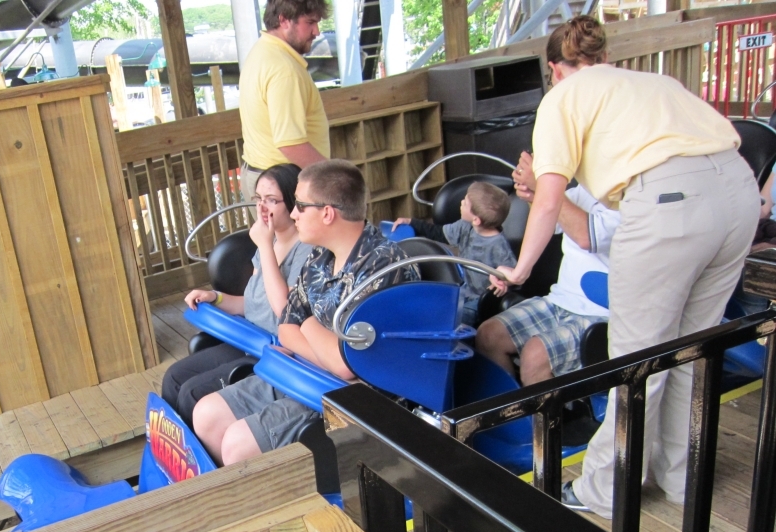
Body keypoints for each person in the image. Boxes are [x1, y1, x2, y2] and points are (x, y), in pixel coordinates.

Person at [491, 16, 758, 518]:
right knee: (691, 347)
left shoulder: (562, 99)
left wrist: (520, 270)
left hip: (669, 202)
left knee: (638, 358)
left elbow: (547, 203)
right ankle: (682, 478)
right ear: (601, 57)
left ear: (555, 69)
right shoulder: (653, 83)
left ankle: (606, 491)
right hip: (738, 193)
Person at [192, 160, 420, 465]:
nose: (294, 213)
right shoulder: (319, 257)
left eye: (300, 205)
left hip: (348, 399)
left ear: (327, 213)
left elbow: (345, 365)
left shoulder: (385, 266)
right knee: (205, 414)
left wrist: (308, 325)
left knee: (237, 444)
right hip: (303, 372)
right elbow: (287, 324)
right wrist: (317, 341)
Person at [161, 164, 312, 425]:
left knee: (192, 394)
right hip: (248, 338)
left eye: (272, 201)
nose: (263, 208)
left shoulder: (305, 249)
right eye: (259, 200)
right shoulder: (271, 241)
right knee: (173, 378)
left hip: (274, 349)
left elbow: (284, 310)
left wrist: (264, 245)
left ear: (292, 202)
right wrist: (215, 298)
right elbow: (252, 303)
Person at [477, 153, 620, 386]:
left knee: (535, 356)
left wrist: (545, 188)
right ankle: (513, 418)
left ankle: (541, 422)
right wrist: (533, 194)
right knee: (488, 335)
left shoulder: (629, 197)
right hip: (560, 300)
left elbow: (587, 236)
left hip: (601, 313)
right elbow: (551, 220)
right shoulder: (585, 189)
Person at [238, 0, 331, 204]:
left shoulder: (261, 52)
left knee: (274, 238)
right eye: (310, 22)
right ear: (284, 20)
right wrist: (334, 176)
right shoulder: (284, 69)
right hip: (282, 184)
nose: (317, 31)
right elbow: (291, 143)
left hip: (264, 178)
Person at [393, 182, 515, 326]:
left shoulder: (498, 245)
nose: (461, 202)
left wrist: (505, 282)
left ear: (476, 219)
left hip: (479, 300)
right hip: (461, 291)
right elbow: (438, 233)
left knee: (450, 319)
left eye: (466, 202)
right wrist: (411, 222)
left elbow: (513, 273)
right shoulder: (465, 226)